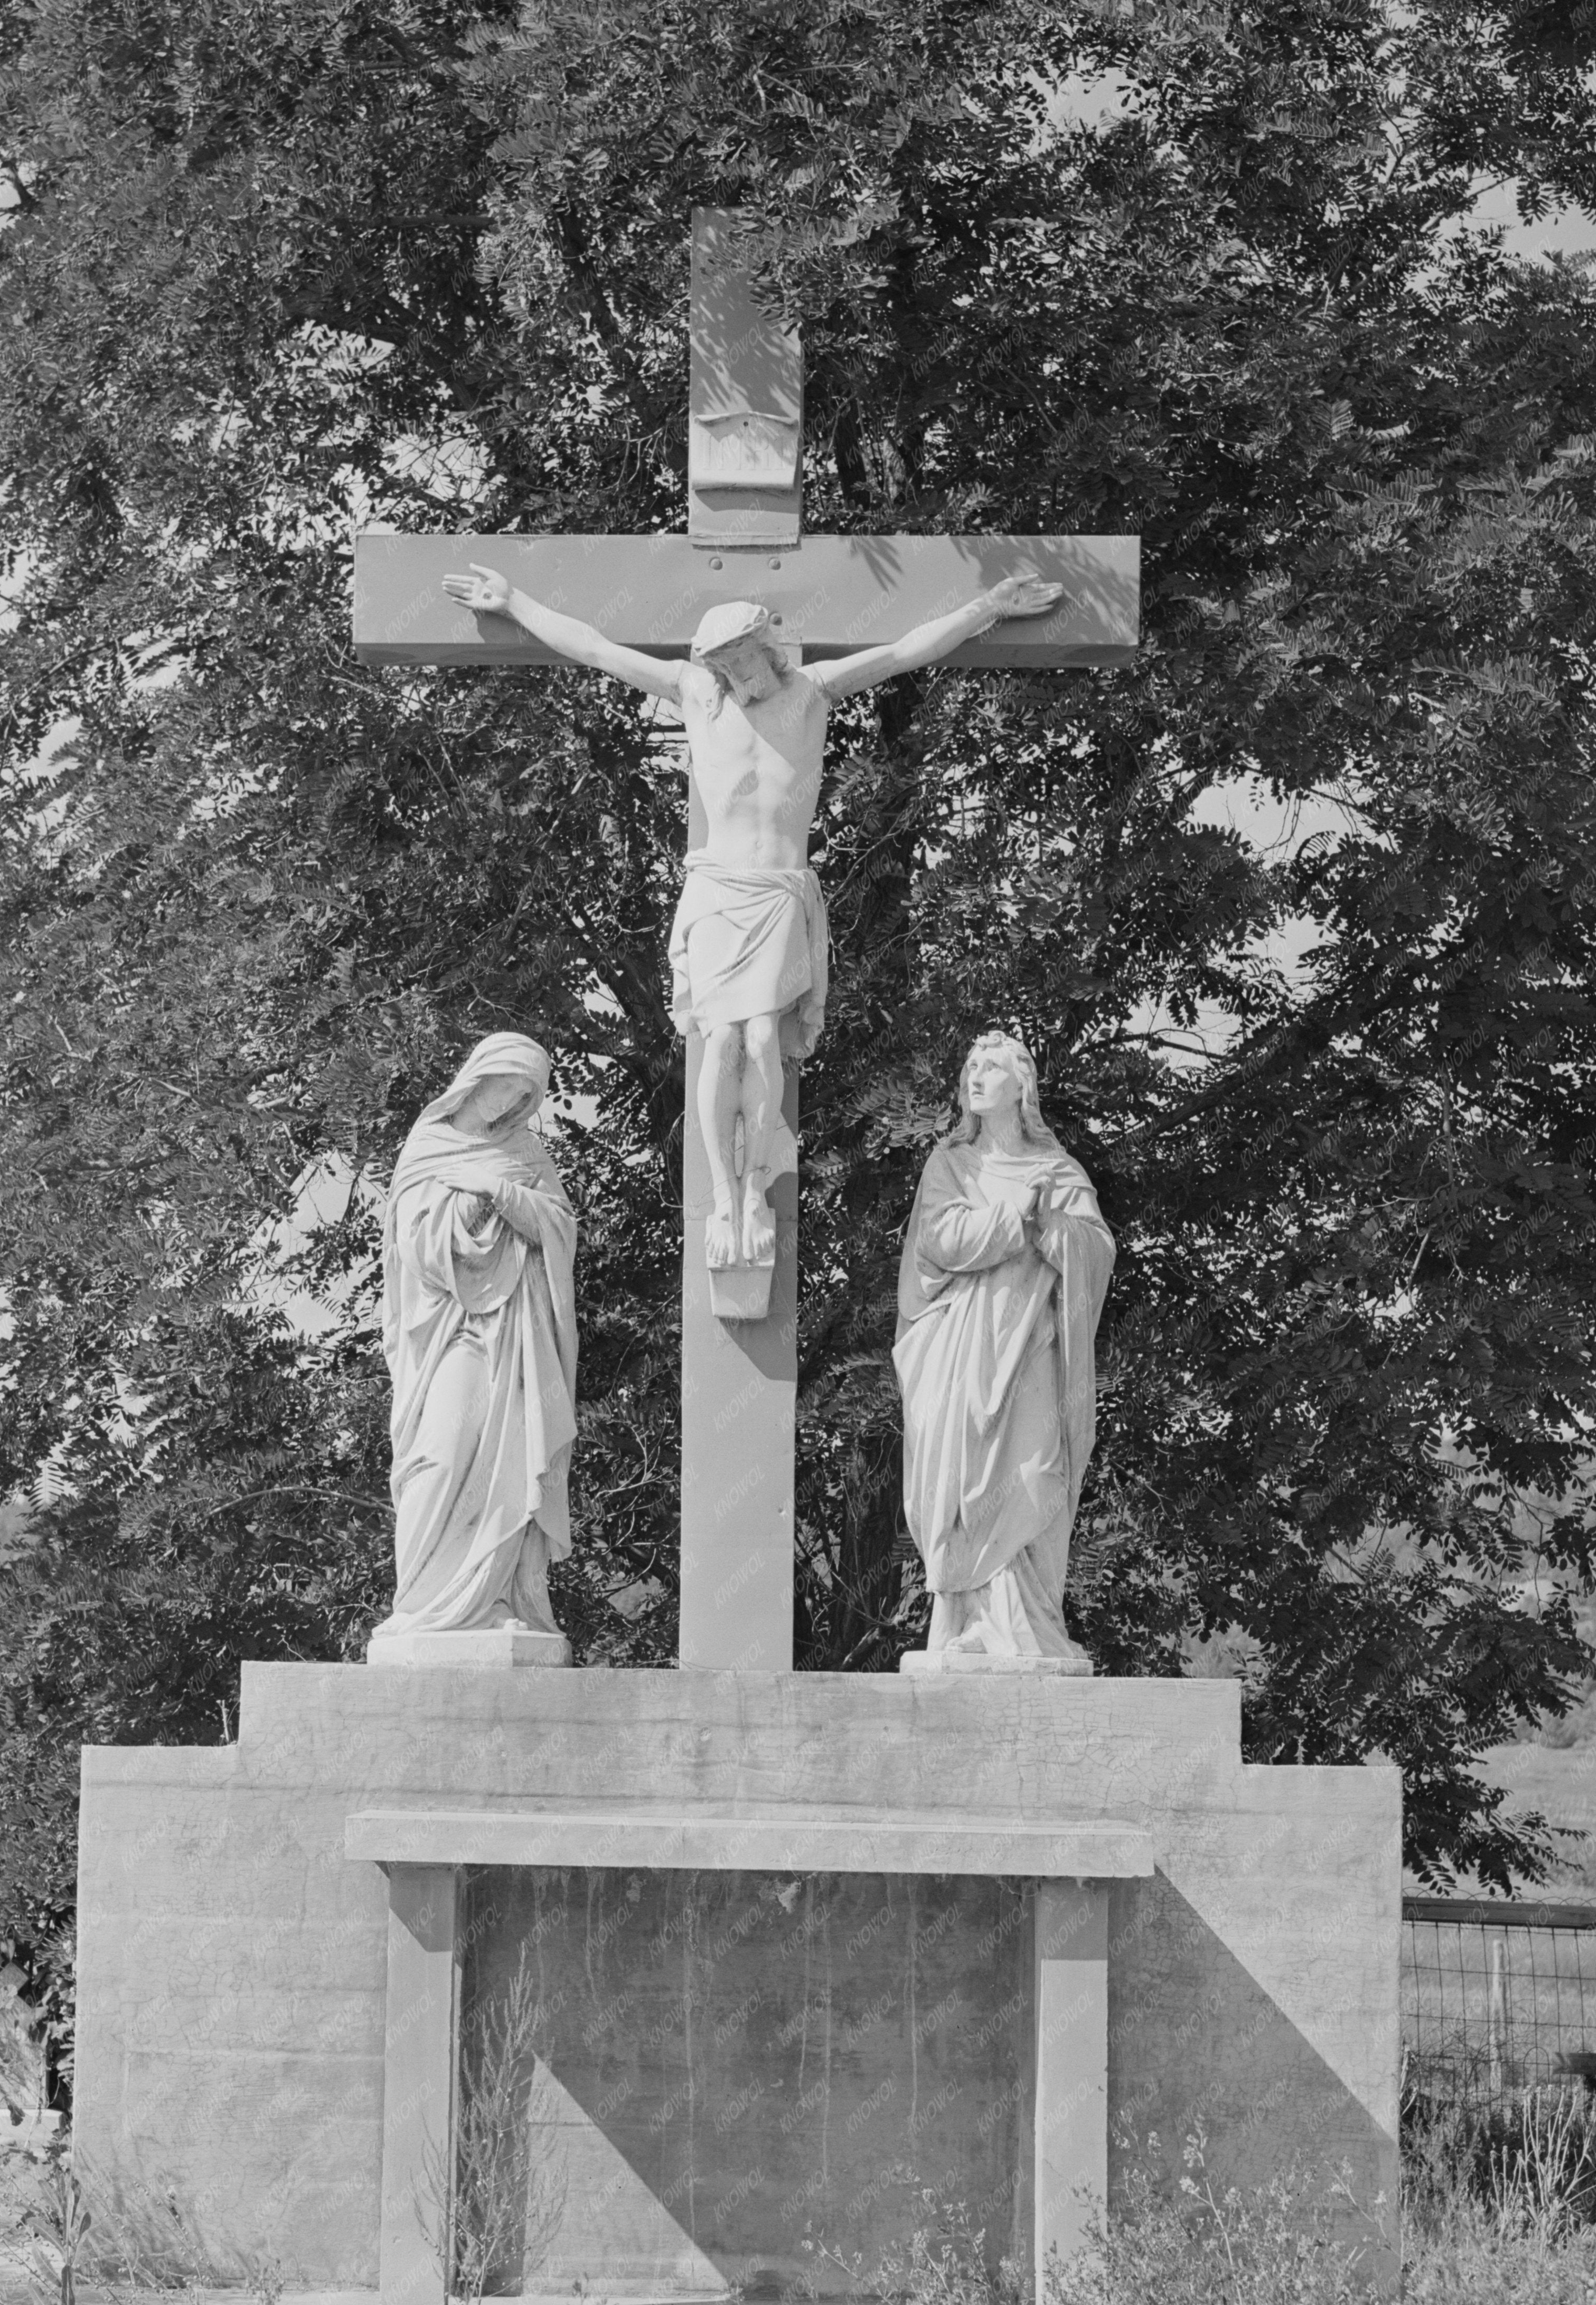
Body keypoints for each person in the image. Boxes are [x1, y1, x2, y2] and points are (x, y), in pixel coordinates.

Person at [441, 558, 1064, 1273]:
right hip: (717, 891)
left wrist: (988, 604)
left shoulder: (813, 692)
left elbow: (906, 649)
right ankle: (727, 1199)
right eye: (725, 667)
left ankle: (754, 1186)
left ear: (768, 647)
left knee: (762, 1034)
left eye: (745, 661)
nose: (739, 678)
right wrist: (515, 601)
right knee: (720, 1038)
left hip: (774, 893)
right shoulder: (694, 693)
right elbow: (594, 647)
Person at [893, 1033, 1115, 1670]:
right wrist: (1012, 1218)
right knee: (965, 1484)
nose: (977, 1077)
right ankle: (970, 1618)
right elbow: (938, 1240)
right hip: (962, 1351)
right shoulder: (951, 1165)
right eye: (970, 1069)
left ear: (1024, 1086)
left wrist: (1050, 1227)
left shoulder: (1057, 1171)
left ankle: (1031, 1624)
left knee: (1032, 1473)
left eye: (992, 1067)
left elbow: (1096, 1253)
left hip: (1032, 1352)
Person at [370, 1032, 579, 1651]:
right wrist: (464, 1214)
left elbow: (560, 1228)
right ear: (477, 1077)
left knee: (512, 1460)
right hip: (450, 1327)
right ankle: (422, 1606)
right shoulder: (429, 1146)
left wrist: (503, 1194)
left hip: (515, 1330)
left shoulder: (524, 1153)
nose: (508, 1104)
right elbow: (413, 1244)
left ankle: (494, 1599)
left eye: (523, 1096)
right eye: (505, 1087)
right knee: (440, 1451)